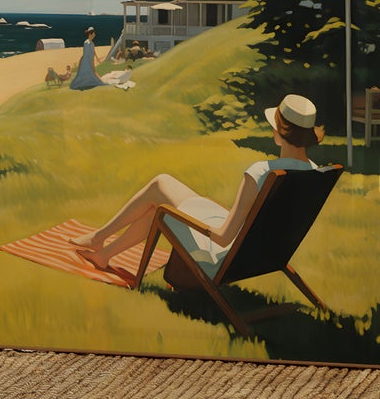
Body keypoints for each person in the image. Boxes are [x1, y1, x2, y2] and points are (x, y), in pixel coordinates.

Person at [70, 93, 323, 272]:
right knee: (161, 200)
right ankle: (103, 253)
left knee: (161, 190)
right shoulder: (316, 174)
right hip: (258, 257)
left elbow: (223, 238)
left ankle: (99, 239)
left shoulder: (261, 173)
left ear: (280, 132)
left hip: (221, 256)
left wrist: (195, 217)